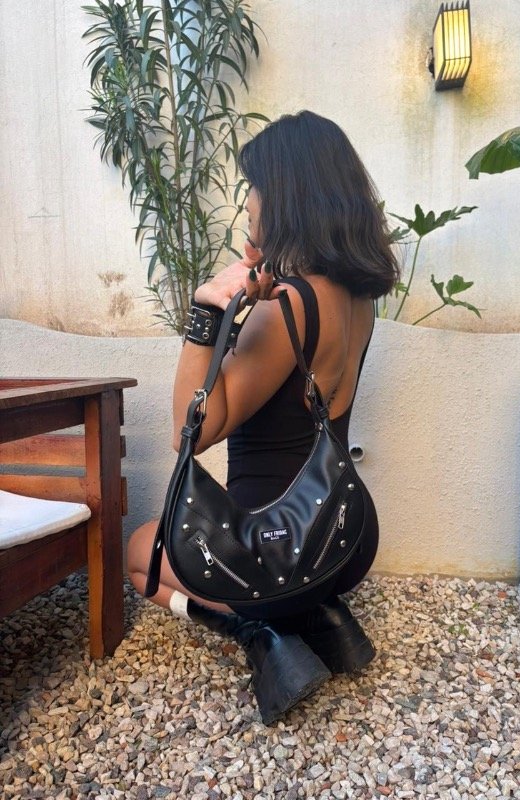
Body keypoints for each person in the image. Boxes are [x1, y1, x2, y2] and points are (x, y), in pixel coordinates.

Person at [127, 110, 398, 724]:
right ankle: (317, 613)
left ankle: (262, 631)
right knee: (168, 549)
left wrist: (205, 314)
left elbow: (190, 430)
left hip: (274, 547)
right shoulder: (356, 298)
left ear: (286, 194)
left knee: (140, 551)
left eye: (254, 186)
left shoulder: (289, 306)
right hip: (344, 535)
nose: (247, 201)